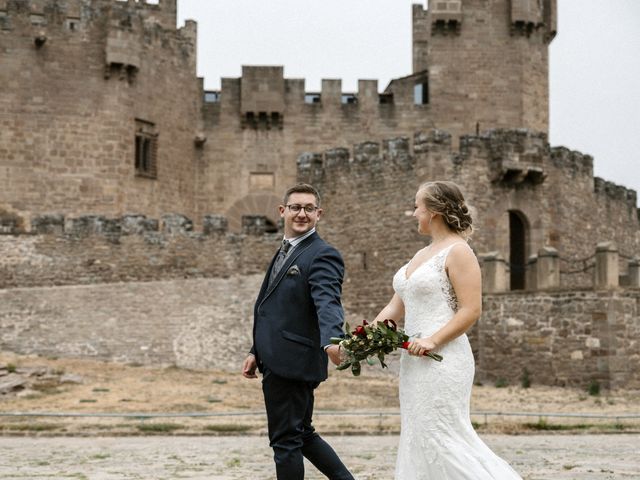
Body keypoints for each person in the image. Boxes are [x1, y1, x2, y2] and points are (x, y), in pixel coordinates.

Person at [373, 181, 522, 479]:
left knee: (441, 435)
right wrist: (371, 333)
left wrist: (432, 340)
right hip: (413, 362)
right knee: (418, 434)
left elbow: (471, 309)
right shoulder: (418, 257)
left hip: (444, 358)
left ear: (435, 212)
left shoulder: (459, 252)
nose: (413, 213)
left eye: (418, 207)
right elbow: (394, 308)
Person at [242, 183, 354, 480]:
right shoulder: (286, 249)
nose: (301, 214)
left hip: (293, 361)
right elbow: (272, 307)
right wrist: (256, 350)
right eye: (295, 207)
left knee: (285, 441)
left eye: (308, 208)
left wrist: (333, 341)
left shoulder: (322, 254)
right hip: (277, 357)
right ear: (282, 211)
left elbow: (327, 301)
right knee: (300, 434)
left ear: (319, 214)